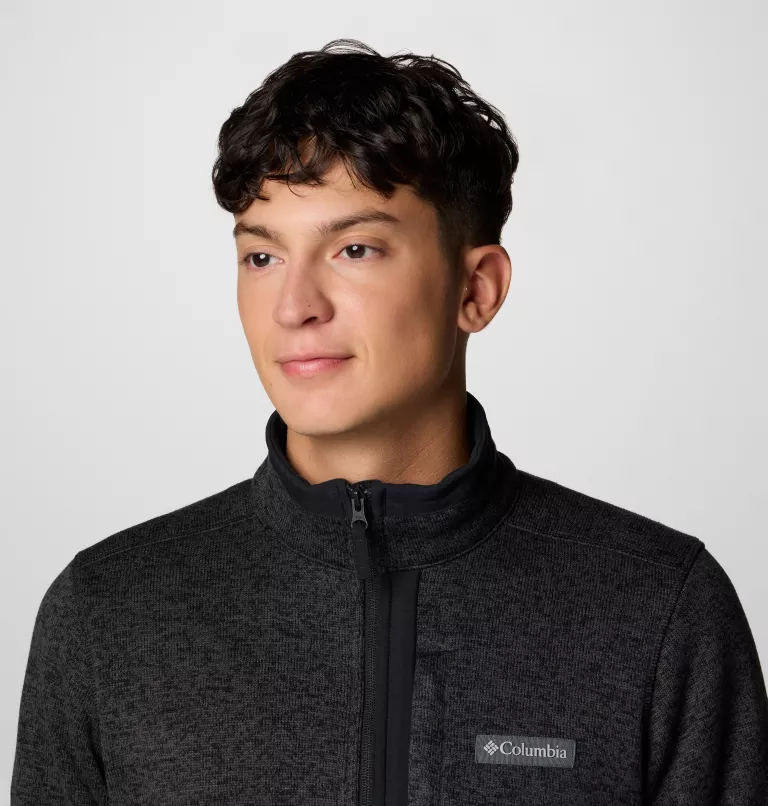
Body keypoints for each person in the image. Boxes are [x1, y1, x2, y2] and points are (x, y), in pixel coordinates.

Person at [11, 38, 768, 806]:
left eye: (355, 248)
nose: (294, 308)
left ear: (476, 289)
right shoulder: (108, 613)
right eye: (262, 258)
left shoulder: (660, 610)